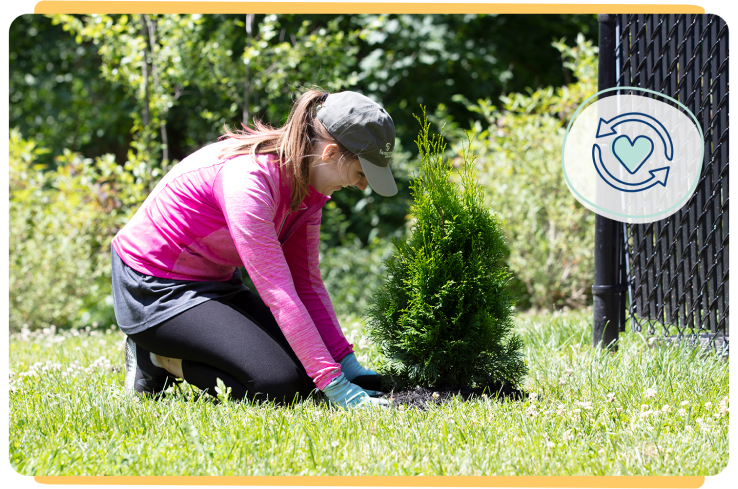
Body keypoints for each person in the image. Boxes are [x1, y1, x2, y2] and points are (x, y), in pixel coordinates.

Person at [111, 89, 398, 409]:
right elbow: (278, 291)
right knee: (277, 387)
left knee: (307, 375)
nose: (362, 186)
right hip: (154, 287)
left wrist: (343, 363)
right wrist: (335, 385)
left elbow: (306, 282)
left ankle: (167, 356)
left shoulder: (307, 187)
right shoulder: (250, 181)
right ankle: (157, 358)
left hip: (214, 282)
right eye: (361, 173)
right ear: (330, 154)